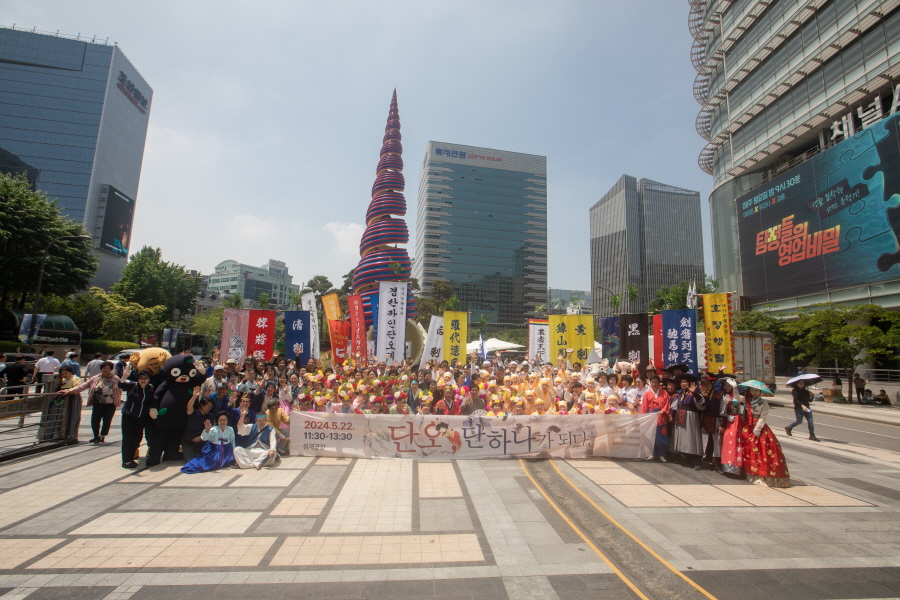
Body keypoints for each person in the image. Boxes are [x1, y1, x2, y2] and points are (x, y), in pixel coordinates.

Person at [58, 361, 121, 444]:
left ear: (111, 369)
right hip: (97, 402)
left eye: (108, 368)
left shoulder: (116, 379)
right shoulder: (95, 378)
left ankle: (102, 435)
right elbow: (83, 386)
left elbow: (120, 389)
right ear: (101, 369)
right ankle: (96, 436)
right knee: (95, 420)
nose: (106, 369)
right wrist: (70, 391)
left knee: (107, 420)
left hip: (110, 403)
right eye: (104, 368)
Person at [741, 387, 790, 488]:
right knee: (748, 449)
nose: (754, 393)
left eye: (757, 391)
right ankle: (749, 472)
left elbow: (763, 417)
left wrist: (757, 428)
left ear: (760, 392)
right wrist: (734, 388)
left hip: (758, 426)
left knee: (760, 450)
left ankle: (762, 474)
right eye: (753, 390)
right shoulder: (747, 400)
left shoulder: (764, 403)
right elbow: (737, 397)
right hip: (747, 426)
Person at [118, 370, 155, 468]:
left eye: (145, 378)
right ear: (137, 379)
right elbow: (121, 385)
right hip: (129, 416)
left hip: (141, 417)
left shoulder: (151, 388)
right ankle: (126, 461)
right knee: (128, 438)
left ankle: (131, 458)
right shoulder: (133, 385)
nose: (143, 380)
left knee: (137, 438)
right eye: (141, 378)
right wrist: (123, 377)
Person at [669, 375, 706, 469]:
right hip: (680, 417)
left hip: (690, 418)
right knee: (683, 439)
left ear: (690, 384)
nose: (683, 384)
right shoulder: (680, 394)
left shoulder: (693, 394)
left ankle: (696, 461)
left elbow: (701, 404)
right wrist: (671, 414)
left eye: (685, 382)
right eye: (682, 382)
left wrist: (695, 393)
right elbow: (674, 406)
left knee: (692, 438)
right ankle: (687, 458)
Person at [640, 375, 670, 462]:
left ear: (659, 383)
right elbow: (644, 406)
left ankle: (662, 454)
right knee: (651, 436)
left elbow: (667, 404)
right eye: (652, 382)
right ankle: (652, 453)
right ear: (650, 383)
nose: (654, 384)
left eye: (656, 382)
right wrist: (643, 417)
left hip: (661, 416)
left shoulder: (664, 393)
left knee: (661, 436)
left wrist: (663, 411)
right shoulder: (647, 394)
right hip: (650, 415)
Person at [183, 392, 213, 462]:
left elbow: (212, 430)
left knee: (208, 458)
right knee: (190, 461)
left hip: (202, 439)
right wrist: (194, 396)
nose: (209, 408)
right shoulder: (194, 413)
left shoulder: (211, 416)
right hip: (190, 440)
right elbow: (189, 407)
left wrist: (200, 437)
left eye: (211, 407)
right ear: (202, 406)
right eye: (208, 406)